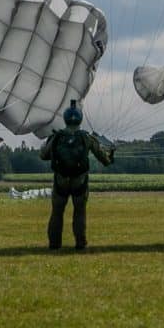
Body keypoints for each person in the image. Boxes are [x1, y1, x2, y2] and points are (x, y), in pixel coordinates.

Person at [39, 100, 115, 250]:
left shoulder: (57, 137)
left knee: (57, 213)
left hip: (60, 181)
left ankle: (54, 244)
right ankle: (80, 243)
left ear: (65, 119)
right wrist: (110, 155)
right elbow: (104, 159)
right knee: (79, 212)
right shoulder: (86, 137)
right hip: (79, 181)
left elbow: (43, 155)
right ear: (80, 119)